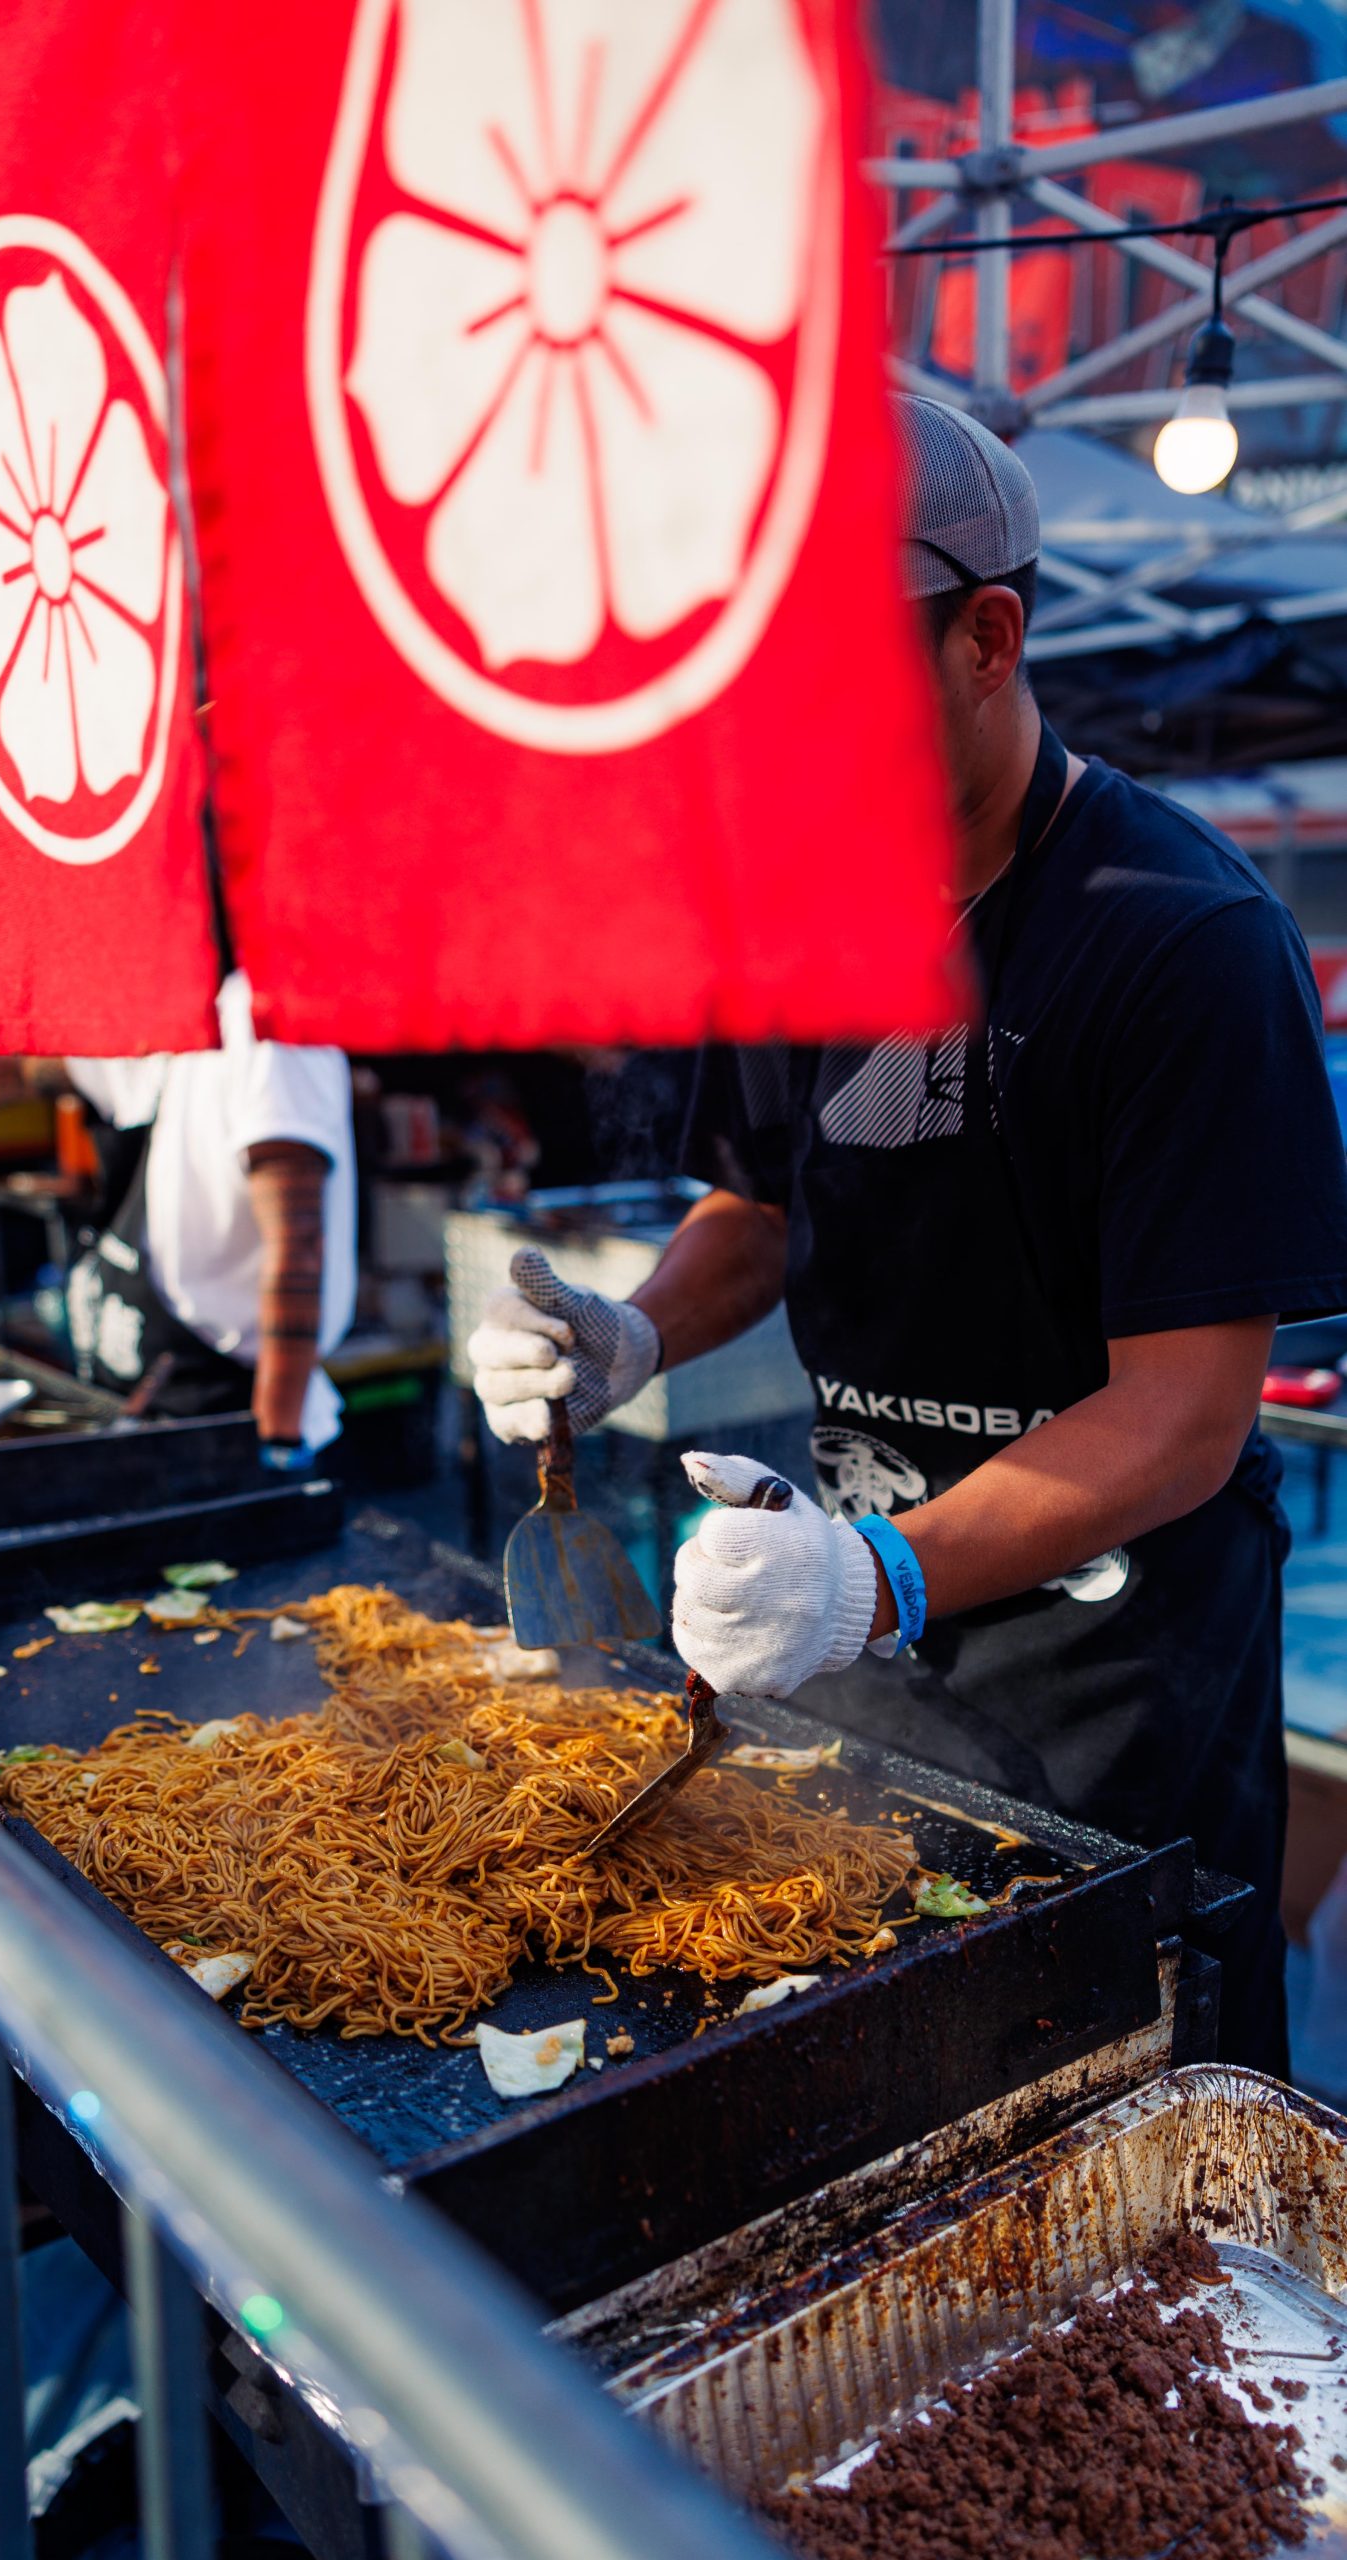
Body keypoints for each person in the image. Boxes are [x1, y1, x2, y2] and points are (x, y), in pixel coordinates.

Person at [467, 395, 1347, 2075]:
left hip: (1112, 1693)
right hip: (856, 1661)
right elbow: (761, 1198)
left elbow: (1184, 1413)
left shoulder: (1179, 941)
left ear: (982, 636)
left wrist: (879, 1574)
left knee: (1102, 2129)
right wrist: (635, 1331)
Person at [0, 970, 355, 1462]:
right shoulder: (169, 1011)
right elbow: (27, 1075)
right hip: (145, 1406)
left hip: (233, 1416)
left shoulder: (266, 1030)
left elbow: (299, 1242)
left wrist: (275, 1439)